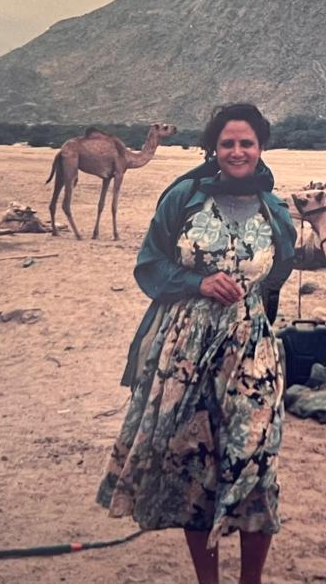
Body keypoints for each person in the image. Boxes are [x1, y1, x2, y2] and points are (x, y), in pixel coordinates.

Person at [98, 103, 296, 584]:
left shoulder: (276, 211)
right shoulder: (182, 198)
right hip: (183, 351)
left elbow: (281, 271)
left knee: (256, 461)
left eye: (246, 142)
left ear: (260, 147)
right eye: (227, 143)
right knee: (192, 466)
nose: (236, 151)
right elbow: (148, 265)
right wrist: (197, 283)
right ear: (213, 148)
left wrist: (247, 304)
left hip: (251, 352)